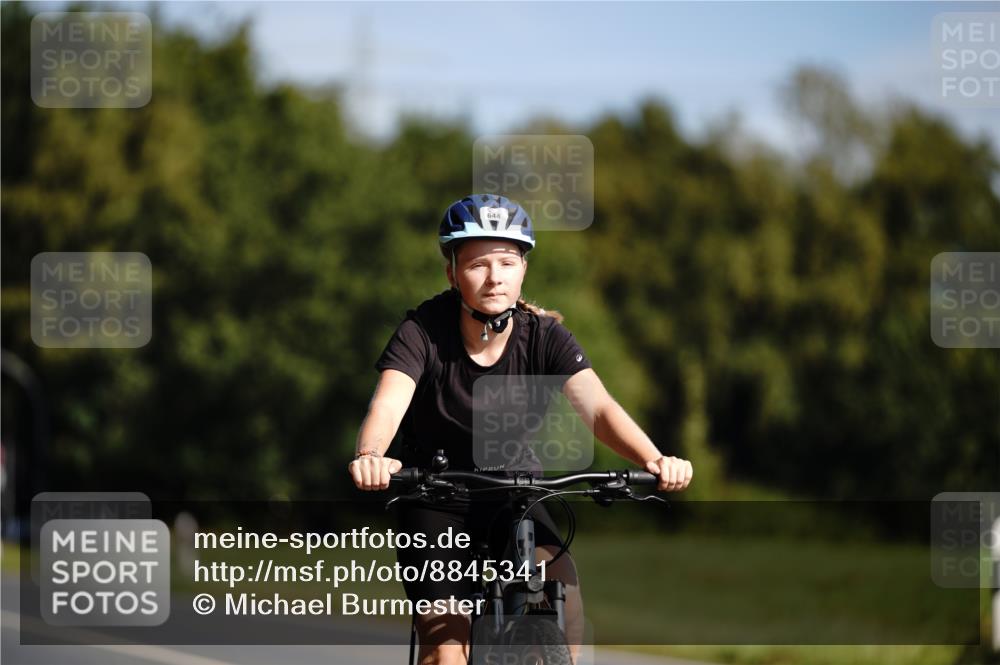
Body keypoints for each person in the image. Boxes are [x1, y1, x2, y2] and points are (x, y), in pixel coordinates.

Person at [349, 193, 693, 665]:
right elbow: (389, 402)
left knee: (561, 595)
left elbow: (599, 409)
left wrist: (653, 459)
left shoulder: (545, 336)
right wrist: (372, 454)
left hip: (516, 492)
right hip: (435, 495)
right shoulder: (423, 331)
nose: (495, 277)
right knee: (446, 647)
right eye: (478, 264)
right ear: (452, 272)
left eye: (507, 262)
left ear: (524, 270)